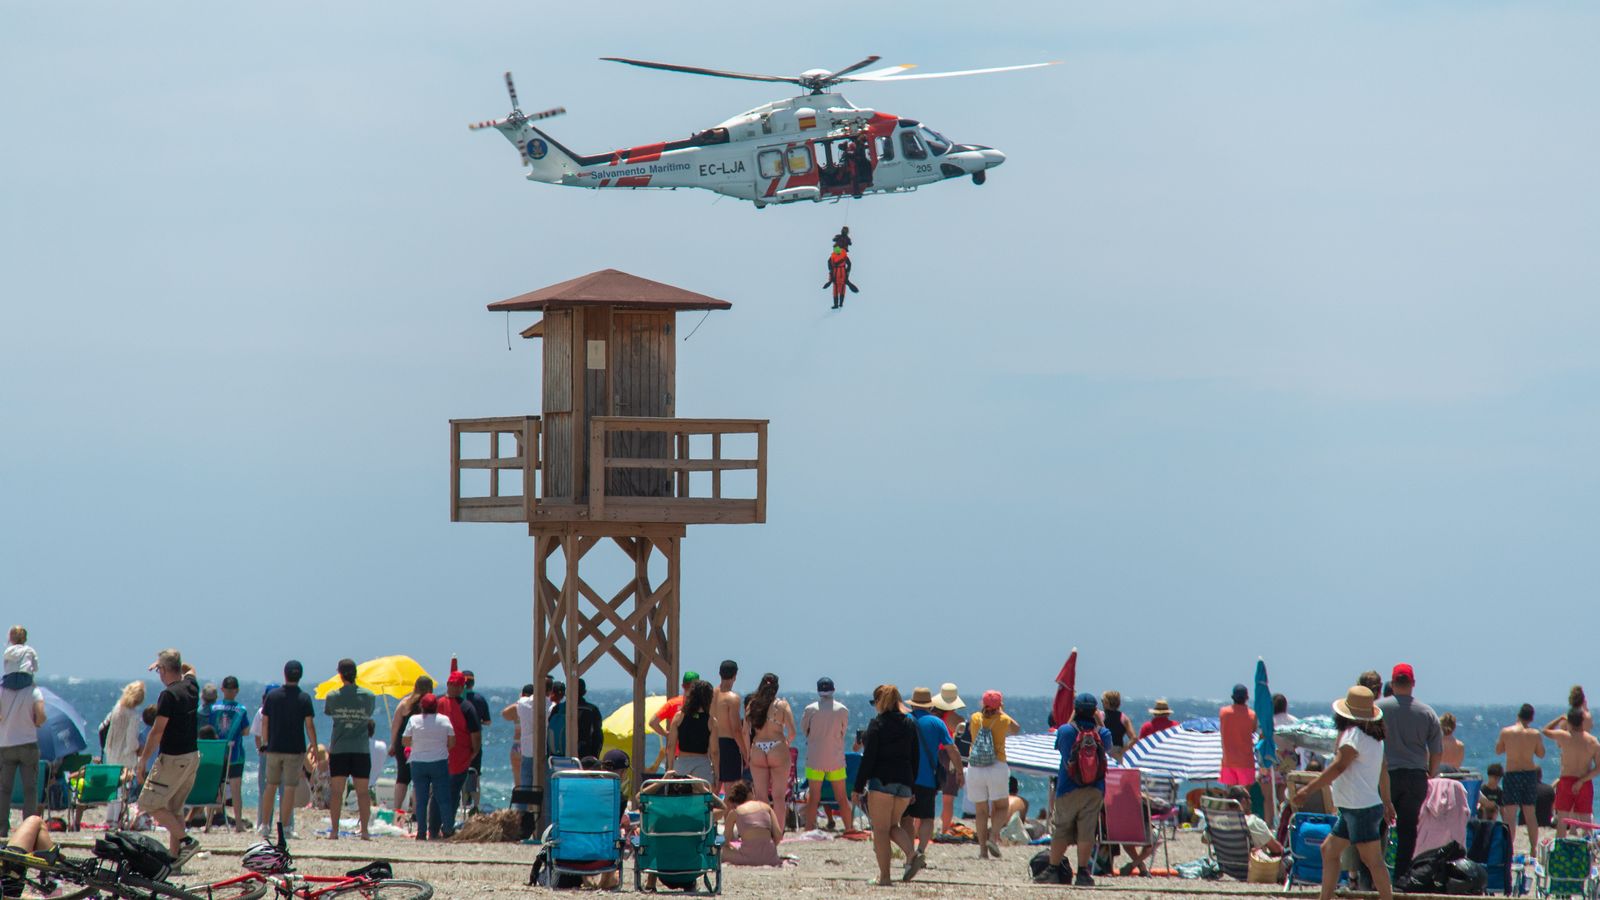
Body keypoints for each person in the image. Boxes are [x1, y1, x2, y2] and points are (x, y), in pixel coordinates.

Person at [1292, 685, 1394, 900]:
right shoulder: (1375, 739)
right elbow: (1383, 770)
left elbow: (1338, 767)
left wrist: (1308, 790)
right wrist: (1387, 802)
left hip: (1360, 808)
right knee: (1329, 850)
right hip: (1355, 807)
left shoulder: (1352, 735)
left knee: (1373, 861)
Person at [1036, 692, 1113, 886]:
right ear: (1095, 711)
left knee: (1061, 829)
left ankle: (1052, 870)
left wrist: (1071, 719)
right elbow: (1108, 749)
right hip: (1095, 788)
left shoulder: (1065, 731)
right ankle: (1083, 873)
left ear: (1075, 710)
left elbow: (1062, 752)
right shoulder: (1103, 733)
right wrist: (1100, 723)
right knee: (1087, 832)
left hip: (1068, 787)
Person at [136, 649, 203, 868]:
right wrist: (173, 664)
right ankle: (175, 859)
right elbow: (191, 669)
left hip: (173, 758)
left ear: (164, 670)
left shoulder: (169, 695)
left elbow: (157, 732)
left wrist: (143, 761)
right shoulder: (192, 686)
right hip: (192, 756)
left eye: (159, 670)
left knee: (148, 802)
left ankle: (186, 841)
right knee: (174, 808)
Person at [1374, 663, 1441, 882]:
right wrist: (1430, 773)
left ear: (1392, 684)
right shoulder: (1427, 712)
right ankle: (1401, 878)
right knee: (1408, 830)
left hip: (1385, 776)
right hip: (1415, 777)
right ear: (1413, 684)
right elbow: (1437, 751)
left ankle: (1372, 878)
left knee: (1377, 827)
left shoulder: (1377, 709)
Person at [852, 685, 921, 885]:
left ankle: (885, 877)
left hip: (882, 782)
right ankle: (911, 854)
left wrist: (857, 788)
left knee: (880, 831)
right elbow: (915, 757)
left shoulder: (877, 724)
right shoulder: (909, 724)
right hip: (905, 784)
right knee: (892, 826)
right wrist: (913, 787)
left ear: (880, 703)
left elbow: (868, 759)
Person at [260, 660, 318, 840]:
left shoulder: (273, 696)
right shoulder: (304, 698)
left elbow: (265, 721)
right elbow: (309, 725)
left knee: (270, 786)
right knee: (289, 789)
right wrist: (314, 746)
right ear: (300, 676)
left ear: (284, 674)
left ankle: (265, 825)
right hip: (295, 749)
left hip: (274, 747)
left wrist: (265, 742)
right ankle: (285, 828)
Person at [906, 687, 959, 868]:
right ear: (930, 705)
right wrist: (959, 770)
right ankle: (920, 850)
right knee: (927, 818)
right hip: (927, 779)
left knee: (905, 818)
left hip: (906, 778)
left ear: (913, 704)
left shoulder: (906, 720)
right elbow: (951, 749)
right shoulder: (937, 723)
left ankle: (908, 853)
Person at [323, 658, 376, 841]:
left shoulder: (332, 696)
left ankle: (335, 830)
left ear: (340, 674)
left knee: (337, 791)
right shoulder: (369, 696)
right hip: (361, 749)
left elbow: (329, 712)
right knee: (363, 792)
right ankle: (365, 832)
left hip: (340, 749)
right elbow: (368, 714)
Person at [967, 689, 1020, 860]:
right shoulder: (1003, 719)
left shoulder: (975, 718)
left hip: (975, 766)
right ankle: (992, 837)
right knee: (1003, 806)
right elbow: (1016, 729)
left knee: (981, 811)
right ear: (1000, 705)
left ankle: (983, 851)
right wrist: (1001, 711)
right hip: (997, 765)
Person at [0, 661, 46, 844]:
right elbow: (41, 714)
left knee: (4, 789)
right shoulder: (33, 691)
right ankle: (29, 827)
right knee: (30, 789)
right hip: (27, 742)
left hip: (6, 743)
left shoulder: (2, 690)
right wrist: (36, 723)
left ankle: (2, 828)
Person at [744, 673, 795, 834]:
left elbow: (745, 732)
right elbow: (792, 732)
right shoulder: (782, 705)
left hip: (758, 747)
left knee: (761, 796)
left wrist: (748, 753)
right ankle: (778, 833)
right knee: (779, 797)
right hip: (777, 747)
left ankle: (763, 831)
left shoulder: (752, 704)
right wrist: (786, 743)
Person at [801, 677, 852, 831]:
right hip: (835, 758)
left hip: (815, 759)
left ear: (818, 691)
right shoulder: (843, 709)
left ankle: (809, 828)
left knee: (814, 797)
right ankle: (849, 828)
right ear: (833, 689)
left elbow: (805, 730)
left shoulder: (810, 709)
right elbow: (843, 732)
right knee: (842, 797)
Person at [401, 693, 454, 841]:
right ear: (436, 706)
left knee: (421, 799)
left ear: (421, 706)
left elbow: (405, 741)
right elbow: (452, 742)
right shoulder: (444, 720)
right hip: (439, 761)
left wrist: (417, 744)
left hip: (418, 762)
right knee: (443, 798)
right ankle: (448, 828)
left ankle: (421, 832)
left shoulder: (414, 719)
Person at [436, 670, 482, 834]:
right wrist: (474, 753)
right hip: (455, 757)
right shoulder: (466, 707)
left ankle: (437, 827)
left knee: (441, 794)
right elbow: (476, 735)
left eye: (456, 685)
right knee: (451, 794)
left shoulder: (438, 703)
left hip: (445, 758)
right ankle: (445, 827)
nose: (454, 687)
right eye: (454, 684)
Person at [1496, 703, 1545, 852]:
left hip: (1512, 773)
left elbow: (1498, 750)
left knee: (1510, 814)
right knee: (1530, 812)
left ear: (1518, 715)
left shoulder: (1506, 732)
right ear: (1531, 718)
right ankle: (1533, 849)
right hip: (1529, 774)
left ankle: (1509, 849)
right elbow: (1541, 754)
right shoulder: (1535, 734)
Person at [1543, 707, 1600, 837]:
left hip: (1566, 780)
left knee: (1562, 819)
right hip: (1584, 781)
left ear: (1569, 722)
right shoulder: (1593, 741)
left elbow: (1545, 730)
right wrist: (1581, 781)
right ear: (1582, 721)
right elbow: (1598, 768)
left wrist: (1560, 719)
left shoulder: (1564, 736)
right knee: (1586, 821)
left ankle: (1561, 851)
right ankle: (1588, 851)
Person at [208, 676, 250, 832]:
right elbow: (246, 732)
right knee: (236, 790)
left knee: (216, 788)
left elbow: (210, 729)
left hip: (218, 755)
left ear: (222, 689)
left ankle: (210, 820)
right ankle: (238, 824)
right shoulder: (241, 710)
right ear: (237, 691)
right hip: (235, 755)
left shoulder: (213, 709)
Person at [389, 676, 432, 817]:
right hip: (422, 744)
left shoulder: (405, 703)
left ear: (415, 687)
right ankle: (416, 813)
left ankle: (397, 811)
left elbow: (395, 726)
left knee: (402, 777)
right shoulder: (430, 705)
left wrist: (393, 745)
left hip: (403, 744)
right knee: (418, 779)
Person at [666, 679, 716, 785]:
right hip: (702, 764)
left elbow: (670, 746)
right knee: (702, 799)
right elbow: (715, 751)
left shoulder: (679, 716)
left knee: (681, 799)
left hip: (682, 764)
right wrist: (717, 773)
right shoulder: (711, 721)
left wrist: (670, 767)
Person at [647, 671, 699, 771]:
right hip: (698, 755)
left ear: (683, 686)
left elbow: (653, 722)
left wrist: (666, 734)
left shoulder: (672, 704)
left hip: (676, 756)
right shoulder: (702, 706)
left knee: (678, 785)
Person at [931, 683, 966, 833]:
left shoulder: (932, 715)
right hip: (949, 756)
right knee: (948, 798)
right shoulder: (957, 719)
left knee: (928, 795)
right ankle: (944, 831)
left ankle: (920, 828)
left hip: (932, 754)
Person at [722, 781, 783, 866]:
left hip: (748, 858)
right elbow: (778, 835)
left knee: (722, 851)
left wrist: (732, 847)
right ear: (751, 793)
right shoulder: (766, 807)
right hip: (771, 857)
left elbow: (725, 841)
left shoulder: (735, 812)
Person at [0, 815, 61, 897]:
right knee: (35, 821)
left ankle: (53, 877)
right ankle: (54, 877)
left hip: (7, 885)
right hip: (8, 874)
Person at [712, 661, 747, 794]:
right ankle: (728, 815)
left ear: (719, 673)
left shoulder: (710, 694)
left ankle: (711, 815)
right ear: (735, 675)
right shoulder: (733, 698)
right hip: (728, 744)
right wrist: (745, 753)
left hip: (712, 742)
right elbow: (736, 730)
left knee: (714, 788)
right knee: (731, 791)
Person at [502, 683, 538, 809]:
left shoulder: (518, 708)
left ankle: (520, 812)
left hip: (517, 746)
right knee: (534, 782)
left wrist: (519, 700)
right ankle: (530, 809)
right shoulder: (536, 707)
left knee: (518, 782)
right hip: (531, 746)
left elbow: (504, 714)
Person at [547, 677, 600, 760]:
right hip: (583, 759)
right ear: (584, 692)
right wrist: (594, 758)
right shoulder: (591, 710)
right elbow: (597, 737)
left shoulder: (557, 709)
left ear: (566, 693)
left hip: (559, 758)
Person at [1219, 684, 1259, 790]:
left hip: (1228, 761)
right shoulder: (1252, 715)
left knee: (1231, 795)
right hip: (1245, 761)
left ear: (1233, 697)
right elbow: (1253, 730)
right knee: (1245, 796)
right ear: (1247, 698)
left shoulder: (1223, 712)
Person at [460, 670, 491, 773]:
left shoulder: (457, 699)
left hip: (459, 739)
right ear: (473, 683)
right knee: (475, 772)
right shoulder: (480, 699)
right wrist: (478, 721)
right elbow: (487, 721)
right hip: (475, 740)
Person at [1101, 690, 1136, 763]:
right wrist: (1121, 752)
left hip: (1102, 752)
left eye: (1102, 701)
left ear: (1106, 702)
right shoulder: (1124, 718)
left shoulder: (1100, 716)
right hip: (1116, 753)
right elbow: (1134, 738)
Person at [1, 627, 37, 691]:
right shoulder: (30, 650)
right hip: (25, 679)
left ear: (11, 639)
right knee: (36, 691)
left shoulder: (8, 651)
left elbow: (6, 668)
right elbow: (35, 668)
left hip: (10, 680)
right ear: (25, 638)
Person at [825, 243, 851, 309]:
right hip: (835, 274)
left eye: (837, 249)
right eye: (835, 249)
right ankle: (836, 304)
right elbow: (829, 264)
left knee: (842, 288)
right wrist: (831, 273)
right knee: (835, 290)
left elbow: (849, 264)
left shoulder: (844, 254)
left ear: (840, 248)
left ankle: (841, 303)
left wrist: (847, 272)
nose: (836, 250)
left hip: (842, 273)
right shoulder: (832, 256)